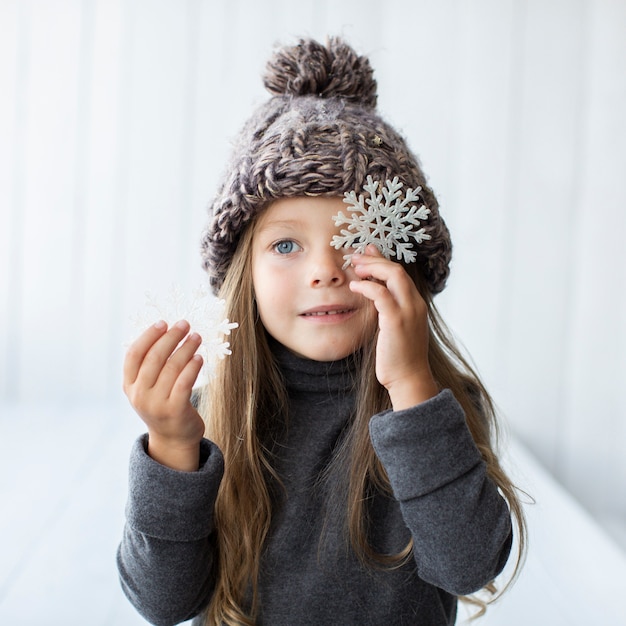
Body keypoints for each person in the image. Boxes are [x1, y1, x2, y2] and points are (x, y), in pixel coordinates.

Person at [118, 37, 526, 626]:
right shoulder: (213, 414)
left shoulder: (435, 405)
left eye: (355, 236)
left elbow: (470, 566)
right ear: (244, 274)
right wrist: (172, 449)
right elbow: (161, 602)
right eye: (287, 244)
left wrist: (410, 384)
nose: (325, 270)